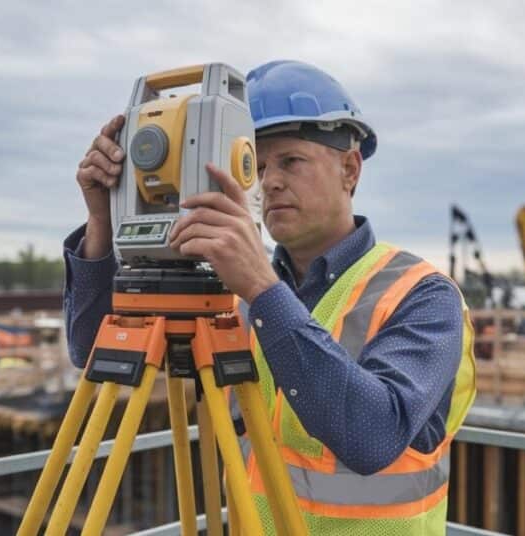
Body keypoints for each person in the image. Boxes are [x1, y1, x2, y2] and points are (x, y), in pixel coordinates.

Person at [62, 60, 476, 534]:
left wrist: (261, 287)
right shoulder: (233, 295)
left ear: (350, 168)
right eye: (253, 167)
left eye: (291, 162)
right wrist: (102, 220)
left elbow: (373, 437)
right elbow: (93, 349)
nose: (270, 182)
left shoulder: (421, 295)